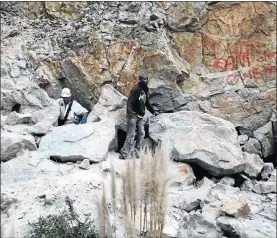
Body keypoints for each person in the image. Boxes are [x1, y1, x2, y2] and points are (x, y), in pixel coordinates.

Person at [120, 75, 159, 159]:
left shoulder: (145, 91)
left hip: (140, 116)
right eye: (144, 79)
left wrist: (153, 112)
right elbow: (129, 102)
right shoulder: (136, 90)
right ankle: (124, 153)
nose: (146, 81)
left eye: (147, 79)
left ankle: (137, 152)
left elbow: (147, 103)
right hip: (133, 116)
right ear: (140, 80)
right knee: (131, 134)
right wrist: (131, 114)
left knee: (141, 134)